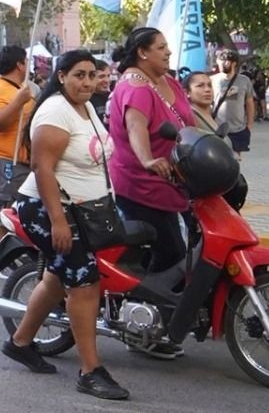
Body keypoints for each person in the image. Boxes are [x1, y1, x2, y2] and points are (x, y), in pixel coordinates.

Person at [0, 50, 130, 400]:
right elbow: (43, 169)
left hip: (80, 208)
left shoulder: (85, 107)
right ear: (62, 76)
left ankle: (21, 341)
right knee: (85, 282)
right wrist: (57, 220)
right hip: (47, 208)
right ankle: (90, 371)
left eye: (92, 75)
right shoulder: (55, 111)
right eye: (79, 75)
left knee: (58, 276)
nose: (87, 82)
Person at [107, 27, 191, 359]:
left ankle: (165, 317)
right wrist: (147, 159)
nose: (168, 52)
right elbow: (136, 128)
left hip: (177, 180)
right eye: (161, 47)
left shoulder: (167, 82)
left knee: (183, 252)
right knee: (171, 253)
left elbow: (188, 121)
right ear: (143, 53)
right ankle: (142, 329)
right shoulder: (136, 87)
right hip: (142, 182)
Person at [0, 45, 34, 242]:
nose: (28, 65)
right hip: (5, 160)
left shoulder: (16, 88)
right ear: (20, 65)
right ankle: (5, 262)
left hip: (19, 160)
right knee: (5, 208)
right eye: (26, 61)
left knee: (17, 208)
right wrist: (18, 102)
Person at [211, 50, 255, 160]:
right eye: (220, 61)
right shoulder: (212, 80)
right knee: (217, 158)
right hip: (217, 128)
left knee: (235, 159)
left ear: (234, 63)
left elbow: (249, 103)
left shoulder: (244, 81)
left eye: (225, 61)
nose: (222, 64)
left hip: (238, 129)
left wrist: (249, 124)